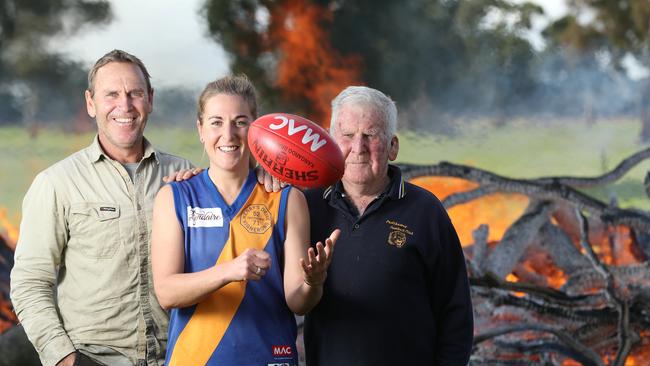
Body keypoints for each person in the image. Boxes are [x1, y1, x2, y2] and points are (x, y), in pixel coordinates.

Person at [259, 86, 474, 365]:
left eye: (370, 135)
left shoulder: (426, 211)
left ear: (392, 146)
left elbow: (455, 312)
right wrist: (261, 175)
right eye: (347, 136)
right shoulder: (305, 206)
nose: (357, 147)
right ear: (329, 142)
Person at [10, 49, 194, 366]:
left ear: (150, 99)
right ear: (91, 103)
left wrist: (263, 175)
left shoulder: (186, 175)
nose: (124, 105)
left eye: (135, 93)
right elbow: (30, 283)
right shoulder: (57, 183)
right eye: (111, 94)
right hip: (95, 359)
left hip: (181, 356)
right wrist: (64, 358)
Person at [150, 75, 338, 366]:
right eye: (216, 122)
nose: (228, 135)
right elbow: (167, 292)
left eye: (240, 122)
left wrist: (314, 282)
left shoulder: (287, 199)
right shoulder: (174, 197)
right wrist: (230, 271)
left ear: (256, 129)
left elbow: (297, 300)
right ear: (200, 130)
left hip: (268, 359)